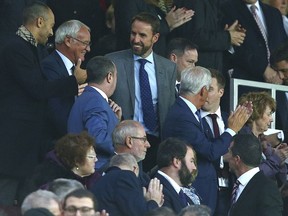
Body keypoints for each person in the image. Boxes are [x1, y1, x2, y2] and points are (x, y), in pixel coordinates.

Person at [0, 1, 87, 206]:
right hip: (13, 143)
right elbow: (36, 88)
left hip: (27, 144)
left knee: (25, 200)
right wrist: (73, 81)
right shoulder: (15, 47)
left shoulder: (34, 48)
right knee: (5, 198)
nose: (51, 32)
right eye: (50, 25)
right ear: (39, 22)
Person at [162, 66, 252, 213]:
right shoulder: (182, 117)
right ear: (203, 91)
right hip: (195, 187)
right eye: (208, 89)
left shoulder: (186, 112)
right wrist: (231, 129)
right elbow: (210, 151)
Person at [106, 12, 177, 172]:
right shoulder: (113, 61)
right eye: (133, 33)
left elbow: (170, 107)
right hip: (125, 142)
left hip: (156, 143)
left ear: (155, 38)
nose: (136, 39)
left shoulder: (168, 68)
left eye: (142, 35)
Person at [68, 56, 122, 169]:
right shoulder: (95, 101)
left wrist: (115, 120)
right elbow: (97, 136)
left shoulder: (89, 97)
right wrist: (122, 150)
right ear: (109, 77)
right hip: (98, 170)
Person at [41, 19, 90, 140]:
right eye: (85, 43)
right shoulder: (49, 66)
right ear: (68, 41)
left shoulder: (78, 69)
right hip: (59, 142)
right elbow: (55, 110)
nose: (88, 49)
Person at [221, 0, 287, 85]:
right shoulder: (226, 9)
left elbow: (283, 45)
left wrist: (281, 72)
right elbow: (231, 48)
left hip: (277, 82)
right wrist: (263, 69)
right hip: (246, 83)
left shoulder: (274, 13)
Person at [172, 0, 246, 72]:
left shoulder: (215, 4)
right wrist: (227, 37)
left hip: (211, 72)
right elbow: (194, 37)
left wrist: (229, 34)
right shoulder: (194, 2)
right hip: (196, 72)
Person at [224, 134, 283, 216]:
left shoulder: (267, 189)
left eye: (229, 152)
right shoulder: (235, 185)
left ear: (237, 159)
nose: (226, 157)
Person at [238, 91, 288, 186]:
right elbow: (253, 176)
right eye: (268, 114)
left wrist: (281, 162)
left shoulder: (264, 143)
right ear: (256, 113)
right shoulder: (243, 140)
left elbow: (280, 181)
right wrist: (276, 159)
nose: (271, 119)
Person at [200, 69, 232, 216]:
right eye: (203, 88)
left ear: (221, 92)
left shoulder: (231, 121)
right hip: (205, 190)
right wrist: (222, 158)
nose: (205, 93)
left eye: (210, 89)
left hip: (230, 190)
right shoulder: (193, 120)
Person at [26, 132, 100, 194]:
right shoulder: (54, 185)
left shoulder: (96, 179)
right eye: (91, 157)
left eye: (95, 156)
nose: (96, 159)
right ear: (77, 161)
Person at [91, 153, 163, 216]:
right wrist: (154, 201)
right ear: (135, 169)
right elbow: (141, 213)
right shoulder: (125, 176)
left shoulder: (100, 180)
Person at [113, 0, 194, 56]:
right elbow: (129, 30)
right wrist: (166, 24)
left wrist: (170, 26)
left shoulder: (156, 5)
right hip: (134, 62)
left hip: (155, 61)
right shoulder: (128, 2)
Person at [153, 138, 197, 213]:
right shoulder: (158, 192)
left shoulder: (178, 191)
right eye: (191, 161)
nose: (194, 167)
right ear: (176, 162)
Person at [108, 120, 151, 186]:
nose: (148, 145)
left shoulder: (145, 178)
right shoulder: (108, 173)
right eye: (143, 139)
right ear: (129, 141)